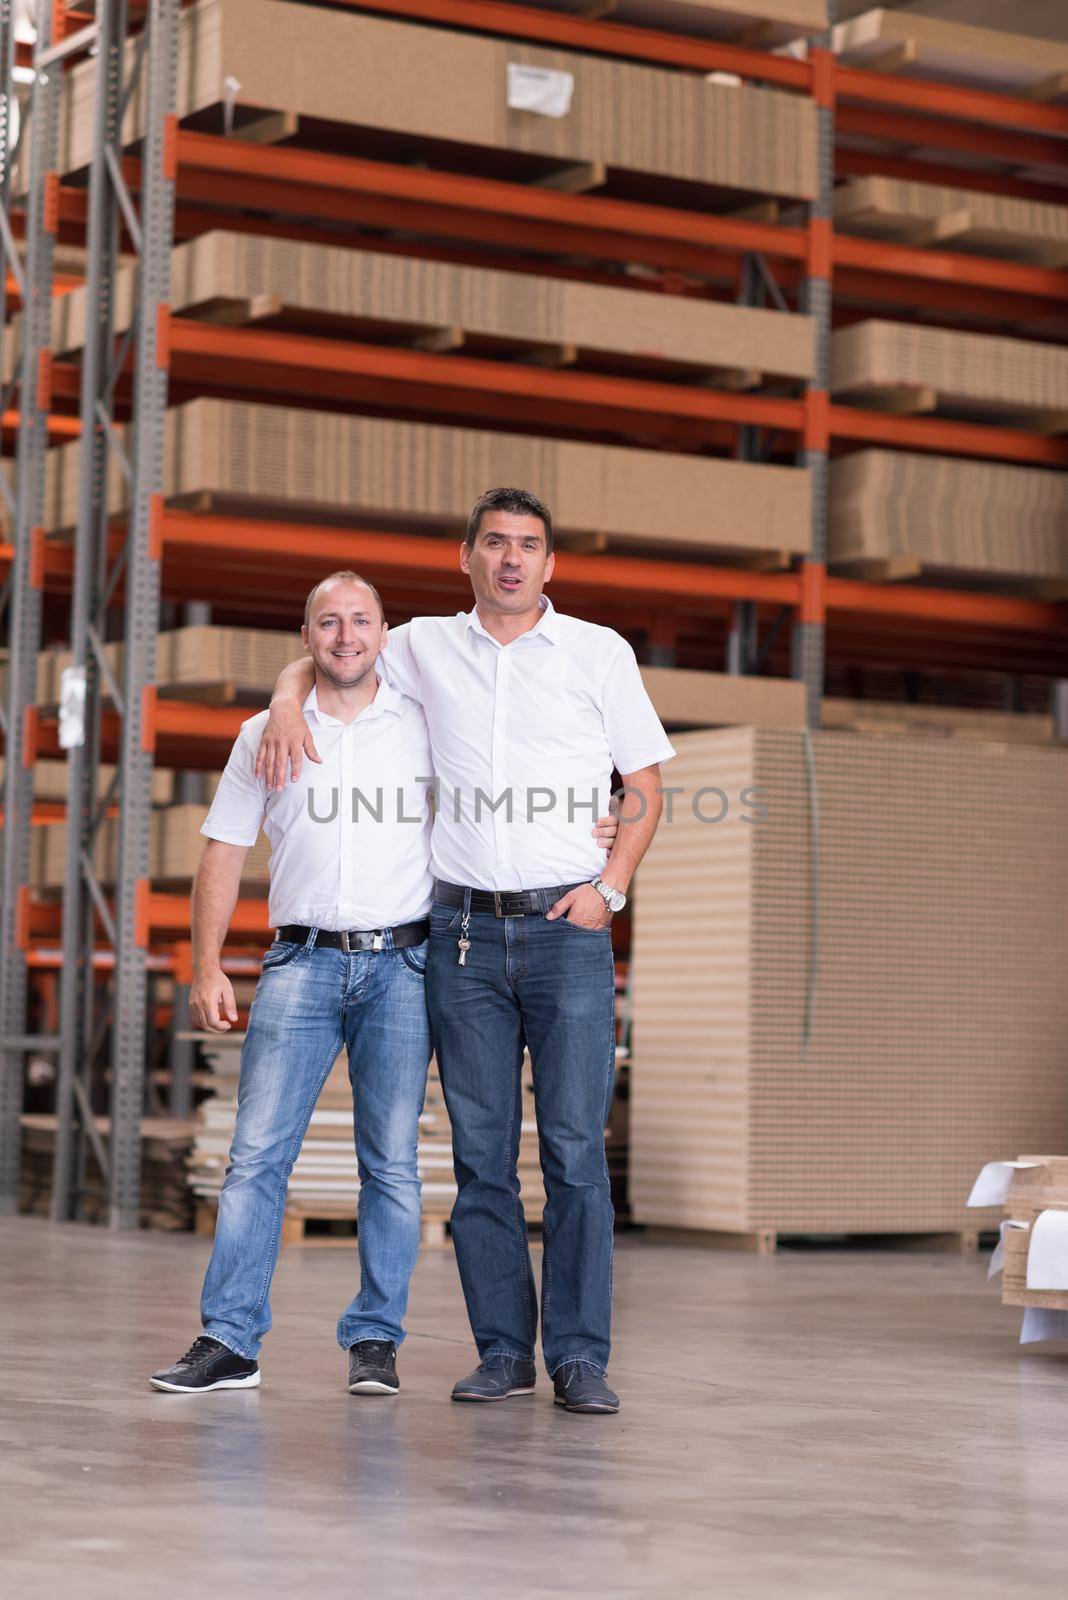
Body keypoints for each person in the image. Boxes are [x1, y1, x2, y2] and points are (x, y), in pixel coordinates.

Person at [150, 569, 617, 1397]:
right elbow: (223, 847)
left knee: (392, 1165)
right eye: (327, 624)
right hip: (297, 962)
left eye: (360, 621)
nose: (345, 637)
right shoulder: (265, 731)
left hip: (405, 965)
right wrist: (206, 964)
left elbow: (519, 763)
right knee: (255, 1158)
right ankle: (230, 1340)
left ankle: (376, 1341)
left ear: (384, 633)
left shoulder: (427, 723)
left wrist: (600, 822)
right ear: (306, 639)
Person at [259, 489, 675, 1414]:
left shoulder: (598, 653)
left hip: (568, 933)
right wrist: (288, 700)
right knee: (481, 1157)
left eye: (529, 545)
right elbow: (333, 647)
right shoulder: (421, 646)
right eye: (495, 543)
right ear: (467, 557)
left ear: (550, 564)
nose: (512, 559)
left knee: (573, 1153)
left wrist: (611, 889)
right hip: (461, 940)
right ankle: (502, 1353)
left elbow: (642, 784)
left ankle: (577, 1357)